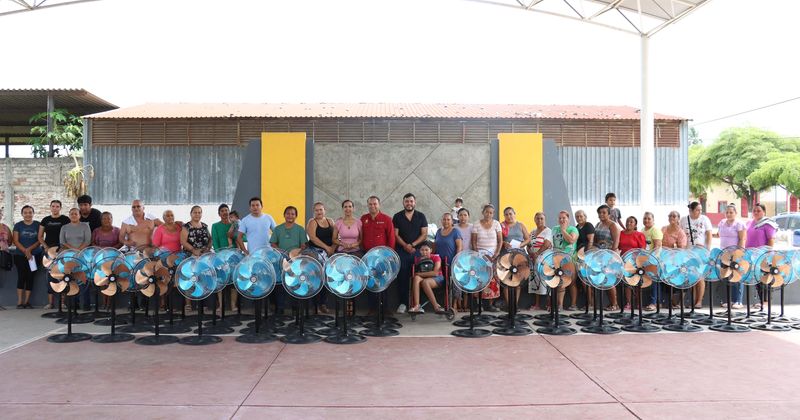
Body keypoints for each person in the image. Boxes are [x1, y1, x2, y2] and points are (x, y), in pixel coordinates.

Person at [360, 196, 396, 316]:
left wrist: (389, 256)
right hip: (367, 258)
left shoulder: (386, 219)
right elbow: (360, 237)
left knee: (383, 282)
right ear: (367, 205)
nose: (372, 206)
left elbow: (391, 238)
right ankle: (373, 308)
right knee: (370, 282)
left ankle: (385, 308)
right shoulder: (363, 219)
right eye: (370, 204)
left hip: (382, 258)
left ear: (379, 205)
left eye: (375, 204)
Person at [393, 193, 428, 314]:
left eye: (411, 201)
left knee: (418, 275)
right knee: (402, 275)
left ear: (415, 202)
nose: (409, 203)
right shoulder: (397, 216)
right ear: (403, 203)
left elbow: (424, 234)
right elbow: (395, 235)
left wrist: (412, 245)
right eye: (407, 201)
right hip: (402, 251)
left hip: (417, 251)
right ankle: (403, 303)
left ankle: (417, 303)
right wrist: (405, 246)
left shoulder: (421, 216)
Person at [270, 205, 308, 315]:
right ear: (284, 215)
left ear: (296, 216)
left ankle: (295, 307)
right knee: (281, 283)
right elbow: (273, 243)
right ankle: (280, 307)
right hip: (282, 259)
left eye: (292, 214)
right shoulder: (278, 229)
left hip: (296, 260)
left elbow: (303, 245)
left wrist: (296, 253)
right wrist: (281, 252)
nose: (290, 216)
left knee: (295, 282)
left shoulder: (300, 229)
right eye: (288, 213)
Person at [307, 202, 338, 314]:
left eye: (321, 210)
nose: (319, 212)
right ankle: (315, 305)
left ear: (325, 210)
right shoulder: (312, 222)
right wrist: (327, 248)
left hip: (329, 252)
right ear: (314, 211)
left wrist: (333, 248)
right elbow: (313, 238)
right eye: (316, 210)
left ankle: (322, 303)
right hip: (315, 252)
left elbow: (336, 237)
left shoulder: (331, 221)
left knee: (327, 276)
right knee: (317, 276)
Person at [38, 200, 69, 310]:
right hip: (49, 251)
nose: (55, 208)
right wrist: (46, 247)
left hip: (62, 251)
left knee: (62, 275)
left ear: (60, 208)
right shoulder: (45, 220)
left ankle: (62, 303)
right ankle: (50, 303)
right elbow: (40, 237)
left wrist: (64, 248)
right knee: (50, 276)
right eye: (53, 206)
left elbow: (68, 235)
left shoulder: (65, 220)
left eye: (57, 206)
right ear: (50, 207)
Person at [680, 201, 712, 309]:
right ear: (691, 210)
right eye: (698, 210)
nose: (700, 212)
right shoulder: (684, 220)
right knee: (692, 276)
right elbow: (681, 234)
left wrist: (707, 249)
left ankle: (699, 301)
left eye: (701, 210)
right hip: (688, 251)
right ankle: (693, 301)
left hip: (701, 251)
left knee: (700, 277)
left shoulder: (704, 219)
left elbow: (709, 234)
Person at [60, 208, 92, 310]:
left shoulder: (85, 226)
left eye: (76, 214)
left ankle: (85, 305)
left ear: (79, 215)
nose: (74, 215)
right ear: (69, 215)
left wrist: (78, 251)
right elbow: (62, 242)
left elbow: (87, 241)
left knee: (83, 280)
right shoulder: (64, 227)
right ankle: (73, 305)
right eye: (71, 214)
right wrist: (72, 250)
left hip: (82, 256)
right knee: (71, 280)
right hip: (68, 256)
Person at [746, 203, 777, 310]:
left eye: (758, 210)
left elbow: (771, 240)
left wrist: (767, 254)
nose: (756, 212)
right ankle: (761, 301)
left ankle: (766, 302)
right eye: (754, 210)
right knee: (757, 279)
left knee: (765, 279)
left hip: (763, 256)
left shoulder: (768, 224)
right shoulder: (750, 223)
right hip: (752, 256)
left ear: (764, 212)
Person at [472, 204, 502, 311]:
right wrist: (478, 254)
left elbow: (500, 241)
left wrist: (496, 253)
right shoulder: (476, 224)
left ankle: (490, 305)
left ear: (493, 214)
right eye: (486, 212)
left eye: (491, 212)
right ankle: (478, 304)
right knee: (479, 279)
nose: (488, 214)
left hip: (493, 257)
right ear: (483, 212)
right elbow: (474, 241)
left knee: (492, 280)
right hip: (480, 257)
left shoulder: (497, 224)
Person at [500, 207, 531, 310]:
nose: (509, 216)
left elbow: (528, 239)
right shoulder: (502, 225)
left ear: (514, 214)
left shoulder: (520, 225)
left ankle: (516, 304)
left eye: (510, 214)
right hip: (506, 256)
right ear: (504, 216)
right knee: (506, 280)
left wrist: (521, 244)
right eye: (506, 214)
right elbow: (498, 240)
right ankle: (509, 305)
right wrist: (504, 243)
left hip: (520, 256)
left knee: (517, 281)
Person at [12, 205, 42, 309]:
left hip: (35, 255)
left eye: (30, 212)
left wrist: (29, 250)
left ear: (33, 213)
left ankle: (27, 302)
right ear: (22, 214)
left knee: (30, 277)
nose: (28, 214)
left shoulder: (38, 225)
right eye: (25, 212)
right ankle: (20, 302)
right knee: (21, 277)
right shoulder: (18, 225)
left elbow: (40, 240)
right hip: (20, 255)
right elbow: (15, 241)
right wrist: (25, 251)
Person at [718, 204, 746, 309]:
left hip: (735, 255)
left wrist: (738, 254)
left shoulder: (739, 224)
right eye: (727, 212)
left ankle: (737, 300)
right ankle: (727, 300)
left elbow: (742, 239)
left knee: (736, 277)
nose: (729, 214)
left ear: (735, 213)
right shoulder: (721, 222)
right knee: (725, 276)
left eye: (731, 212)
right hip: (724, 255)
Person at [433, 213, 462, 311]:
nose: (446, 221)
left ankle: (454, 305)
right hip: (440, 264)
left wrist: (456, 260)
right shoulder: (438, 231)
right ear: (441, 221)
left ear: (452, 221)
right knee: (444, 284)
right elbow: (434, 247)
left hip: (452, 262)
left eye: (448, 219)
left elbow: (459, 247)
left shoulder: (455, 232)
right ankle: (445, 305)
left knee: (453, 284)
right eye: (444, 219)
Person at [408, 241, 446, 314]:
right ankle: (416, 306)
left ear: (431, 250)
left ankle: (436, 306)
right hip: (425, 278)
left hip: (437, 278)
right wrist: (419, 274)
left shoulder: (436, 257)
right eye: (422, 250)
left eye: (426, 250)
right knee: (416, 278)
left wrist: (419, 274)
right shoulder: (418, 259)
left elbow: (435, 273)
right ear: (419, 251)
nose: (424, 252)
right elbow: (418, 274)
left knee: (424, 281)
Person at [595, 204, 620, 310]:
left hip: (609, 256)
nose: (601, 214)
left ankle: (615, 304)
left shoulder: (613, 225)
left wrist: (611, 257)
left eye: (604, 212)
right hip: (599, 255)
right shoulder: (598, 224)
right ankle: (611, 303)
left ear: (609, 214)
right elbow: (595, 239)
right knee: (603, 281)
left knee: (609, 280)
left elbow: (616, 242)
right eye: (600, 213)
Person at [552, 211, 579, 310]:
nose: (562, 220)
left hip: (569, 259)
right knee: (560, 282)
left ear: (568, 219)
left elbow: (571, 240)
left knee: (571, 282)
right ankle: (560, 305)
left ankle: (573, 304)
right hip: (556, 260)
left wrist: (563, 230)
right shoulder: (554, 229)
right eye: (560, 218)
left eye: (564, 218)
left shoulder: (573, 229)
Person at [618, 216, 646, 311]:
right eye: (627, 221)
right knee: (627, 282)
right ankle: (628, 303)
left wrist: (637, 261)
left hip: (636, 261)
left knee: (637, 282)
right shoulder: (621, 233)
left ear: (635, 224)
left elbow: (642, 249)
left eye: (631, 222)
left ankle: (639, 303)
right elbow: (617, 246)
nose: (628, 223)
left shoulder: (639, 235)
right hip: (624, 261)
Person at [527, 212, 552, 311]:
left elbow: (546, 244)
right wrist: (530, 252)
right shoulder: (532, 232)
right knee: (535, 282)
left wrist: (536, 254)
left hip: (545, 260)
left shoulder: (548, 231)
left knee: (546, 281)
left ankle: (549, 304)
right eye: (537, 218)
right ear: (534, 219)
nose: (539, 220)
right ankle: (537, 304)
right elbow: (528, 244)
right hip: (533, 260)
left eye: (541, 218)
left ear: (544, 220)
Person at [642, 212, 663, 311]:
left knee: (655, 282)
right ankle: (652, 302)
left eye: (649, 219)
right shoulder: (642, 230)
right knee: (648, 282)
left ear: (653, 220)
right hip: (645, 260)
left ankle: (654, 303)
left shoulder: (655, 230)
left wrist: (651, 260)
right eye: (645, 218)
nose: (646, 220)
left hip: (654, 260)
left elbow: (657, 247)